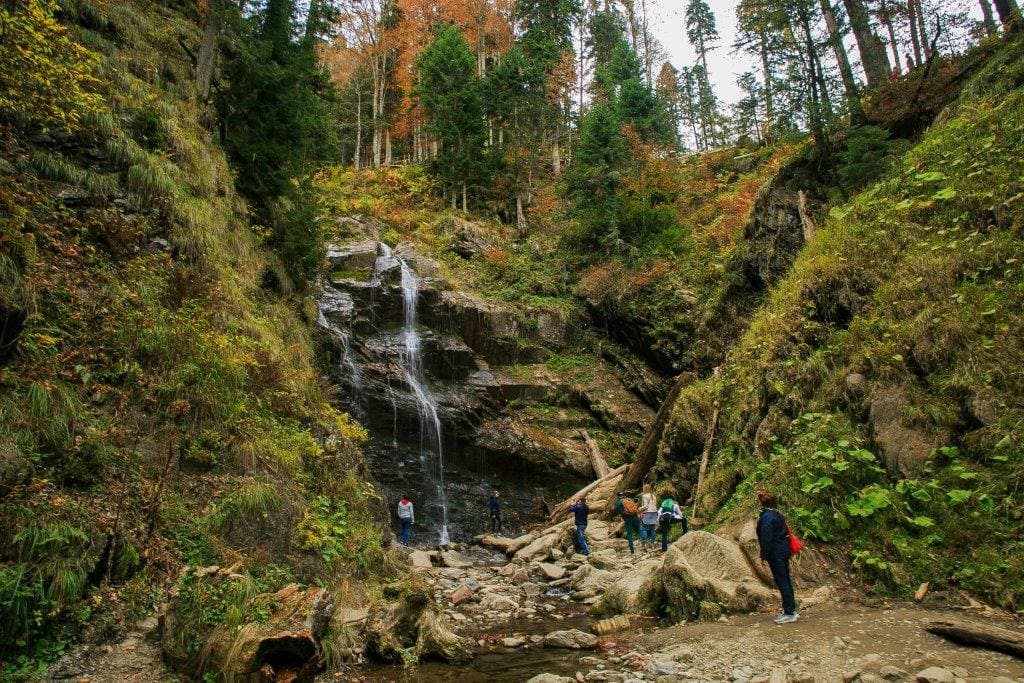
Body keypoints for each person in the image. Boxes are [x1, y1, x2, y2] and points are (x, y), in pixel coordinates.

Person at [756, 490, 798, 624]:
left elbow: (766, 537)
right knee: (786, 579)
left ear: (761, 503)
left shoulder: (767, 517)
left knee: (782, 581)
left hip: (776, 552)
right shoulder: (777, 514)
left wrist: (763, 555)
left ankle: (789, 613)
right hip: (784, 549)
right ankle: (790, 609)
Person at [640, 484, 659, 549]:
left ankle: (644, 543)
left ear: (644, 489)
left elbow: (645, 506)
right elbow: (655, 506)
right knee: (652, 529)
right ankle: (652, 543)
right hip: (654, 513)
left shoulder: (644, 496)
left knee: (644, 528)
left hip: (647, 513)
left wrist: (640, 508)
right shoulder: (653, 496)